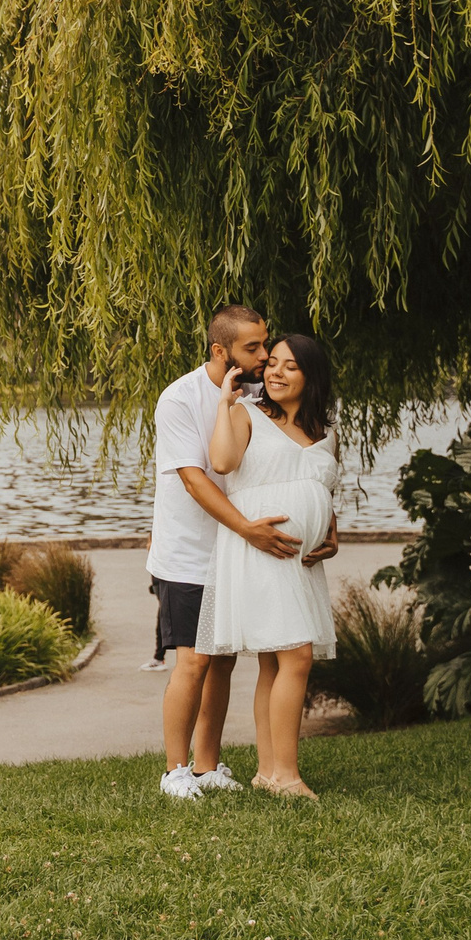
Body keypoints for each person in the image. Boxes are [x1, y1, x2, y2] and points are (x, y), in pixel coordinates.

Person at [149, 305, 325, 802]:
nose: (265, 356)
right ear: (219, 351)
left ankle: (207, 765)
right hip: (190, 551)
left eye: (265, 344)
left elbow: (299, 458)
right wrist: (247, 528)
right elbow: (194, 477)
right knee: (193, 660)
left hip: (237, 553)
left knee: (223, 660)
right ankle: (175, 770)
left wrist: (321, 525)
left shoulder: (257, 392)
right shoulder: (180, 399)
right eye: (253, 348)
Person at [194, 331, 342, 800]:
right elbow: (220, 461)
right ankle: (289, 778)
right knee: (295, 657)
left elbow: (319, 489)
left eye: (289, 366)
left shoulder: (326, 432)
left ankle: (268, 773)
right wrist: (224, 403)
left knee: (275, 665)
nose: (274, 372)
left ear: (311, 376)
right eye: (271, 363)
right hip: (261, 549)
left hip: (299, 559)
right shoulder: (246, 414)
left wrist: (330, 531)